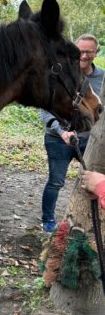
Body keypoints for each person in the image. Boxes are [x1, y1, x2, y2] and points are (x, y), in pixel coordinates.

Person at [40, 34, 104, 232]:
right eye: (80, 52)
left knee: (92, 180)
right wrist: (61, 132)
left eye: (88, 52)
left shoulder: (102, 77)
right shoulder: (61, 73)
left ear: (96, 52)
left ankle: (87, 224)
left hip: (90, 140)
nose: (84, 56)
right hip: (59, 139)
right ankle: (48, 221)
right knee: (56, 181)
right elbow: (44, 106)